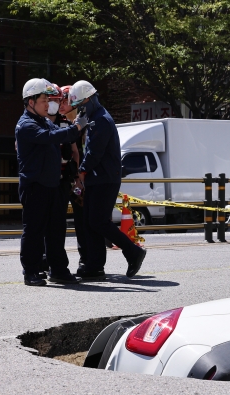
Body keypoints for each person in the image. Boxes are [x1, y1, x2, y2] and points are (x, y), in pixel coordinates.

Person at [69, 80, 147, 279]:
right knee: (90, 222)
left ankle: (133, 252)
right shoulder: (94, 117)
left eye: (81, 105)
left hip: (104, 179)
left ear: (89, 99)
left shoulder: (101, 120)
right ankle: (94, 266)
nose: (80, 110)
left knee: (99, 222)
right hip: (98, 178)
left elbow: (94, 153)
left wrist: (82, 172)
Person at [16, 78, 88, 286]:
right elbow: (49, 136)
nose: (48, 104)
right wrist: (75, 129)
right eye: (43, 100)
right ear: (30, 102)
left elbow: (56, 133)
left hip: (53, 185)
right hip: (35, 186)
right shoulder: (26, 125)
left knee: (56, 230)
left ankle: (58, 270)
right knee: (34, 230)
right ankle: (31, 271)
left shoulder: (43, 121)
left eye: (48, 99)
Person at [56, 85, 88, 265]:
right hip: (62, 178)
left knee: (82, 220)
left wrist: (80, 177)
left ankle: (85, 260)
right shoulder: (54, 121)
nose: (62, 103)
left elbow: (81, 152)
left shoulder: (84, 122)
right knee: (57, 221)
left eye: (66, 99)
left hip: (80, 178)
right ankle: (54, 261)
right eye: (59, 99)